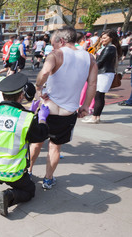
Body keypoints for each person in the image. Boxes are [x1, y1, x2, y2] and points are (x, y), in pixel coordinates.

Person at [29, 27, 98, 190]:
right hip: (68, 112)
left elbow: (45, 72)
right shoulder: (90, 58)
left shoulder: (56, 55)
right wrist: (86, 106)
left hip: (46, 109)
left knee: (36, 142)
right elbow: (93, 84)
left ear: (61, 41)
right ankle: (48, 179)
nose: (52, 47)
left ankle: (29, 171)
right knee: (55, 147)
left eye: (53, 44)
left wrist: (39, 89)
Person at [0, 73, 50, 216]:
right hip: (13, 171)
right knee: (30, 191)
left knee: (1, 166)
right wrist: (42, 118)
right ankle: (7, 196)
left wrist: (28, 113)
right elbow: (41, 135)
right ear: (21, 96)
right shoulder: (26, 119)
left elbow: (9, 128)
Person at [82, 29, 121, 124]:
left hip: (105, 74)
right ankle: (96, 117)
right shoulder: (107, 47)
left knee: (99, 96)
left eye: (104, 38)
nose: (102, 40)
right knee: (98, 96)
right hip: (103, 73)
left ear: (111, 38)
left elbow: (100, 62)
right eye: (101, 38)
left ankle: (95, 117)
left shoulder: (110, 48)